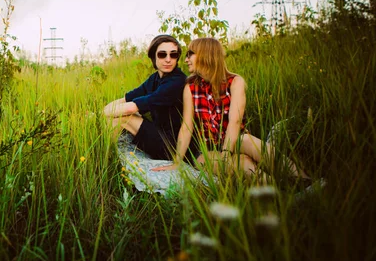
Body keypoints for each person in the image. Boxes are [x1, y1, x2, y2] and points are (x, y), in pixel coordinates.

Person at [152, 37, 309, 180]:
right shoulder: (190, 87)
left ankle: (302, 181)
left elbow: (235, 121)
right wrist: (177, 161)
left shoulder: (235, 82)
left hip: (235, 140)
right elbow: (187, 127)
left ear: (205, 55)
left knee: (247, 140)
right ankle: (279, 194)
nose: (185, 60)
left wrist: (227, 153)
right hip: (208, 149)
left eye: (190, 54)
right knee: (241, 163)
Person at [103, 35, 187, 160]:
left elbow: (130, 108)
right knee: (114, 118)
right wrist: (105, 110)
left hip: (172, 146)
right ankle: (107, 155)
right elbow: (127, 98)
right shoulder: (155, 78)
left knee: (119, 119)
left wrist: (102, 113)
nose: (168, 59)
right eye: (162, 54)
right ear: (153, 56)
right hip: (159, 134)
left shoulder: (176, 81)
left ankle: (107, 158)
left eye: (173, 55)